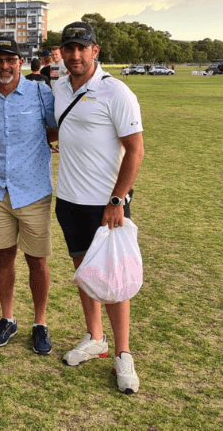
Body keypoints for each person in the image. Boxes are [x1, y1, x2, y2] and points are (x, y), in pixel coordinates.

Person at [53, 21, 144, 394]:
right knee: (85, 275)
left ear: (95, 50)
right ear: (62, 52)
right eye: (69, 48)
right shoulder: (59, 88)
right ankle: (95, 338)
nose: (75, 55)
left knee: (115, 282)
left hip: (106, 206)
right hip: (68, 200)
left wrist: (117, 199)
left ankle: (123, 353)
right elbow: (61, 129)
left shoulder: (115, 91)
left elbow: (135, 150)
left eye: (82, 47)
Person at [0, 36, 57, 355]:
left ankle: (40, 322)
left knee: (36, 259)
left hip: (33, 190)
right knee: (3, 256)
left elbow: (54, 130)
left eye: (10, 60)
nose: (4, 66)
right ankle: (7, 318)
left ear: (20, 62)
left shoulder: (40, 92)